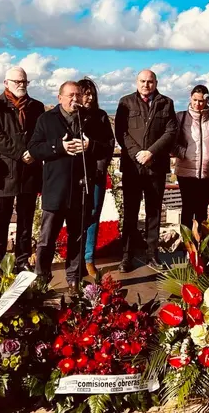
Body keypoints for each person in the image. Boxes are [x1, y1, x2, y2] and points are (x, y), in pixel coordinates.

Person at [28, 81, 114, 292]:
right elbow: (34, 148)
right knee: (47, 239)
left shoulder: (89, 120)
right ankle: (42, 279)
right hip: (55, 189)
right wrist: (59, 146)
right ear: (60, 98)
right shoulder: (46, 120)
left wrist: (89, 146)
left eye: (77, 95)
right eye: (70, 96)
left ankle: (74, 279)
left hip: (80, 190)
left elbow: (106, 148)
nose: (75, 100)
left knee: (78, 237)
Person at [0, 67, 45, 272]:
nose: (21, 85)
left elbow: (41, 134)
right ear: (6, 83)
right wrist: (21, 153)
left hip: (29, 173)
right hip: (4, 175)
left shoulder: (37, 107)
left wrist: (33, 152)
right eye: (17, 81)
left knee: (26, 221)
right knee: (0, 220)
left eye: (24, 82)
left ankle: (22, 260)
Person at [114, 69, 177, 272]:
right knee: (130, 213)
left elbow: (171, 131)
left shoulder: (166, 103)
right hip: (133, 168)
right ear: (136, 81)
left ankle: (153, 254)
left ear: (156, 82)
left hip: (155, 166)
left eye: (150, 81)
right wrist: (138, 154)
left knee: (154, 213)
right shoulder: (126, 102)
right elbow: (121, 132)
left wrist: (151, 153)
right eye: (142, 81)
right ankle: (127, 256)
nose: (146, 85)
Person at [173, 85, 209, 230]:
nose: (197, 104)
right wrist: (183, 153)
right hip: (186, 171)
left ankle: (202, 245)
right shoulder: (181, 117)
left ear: (206, 101)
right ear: (190, 98)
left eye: (201, 101)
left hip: (207, 172)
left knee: (202, 209)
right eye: (194, 100)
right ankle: (186, 246)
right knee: (187, 208)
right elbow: (172, 141)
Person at [77, 78, 116, 278]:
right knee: (75, 216)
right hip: (74, 175)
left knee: (93, 215)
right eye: (85, 93)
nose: (89, 97)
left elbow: (109, 144)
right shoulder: (71, 116)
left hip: (96, 174)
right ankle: (75, 259)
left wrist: (91, 147)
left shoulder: (100, 116)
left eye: (92, 93)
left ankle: (89, 258)